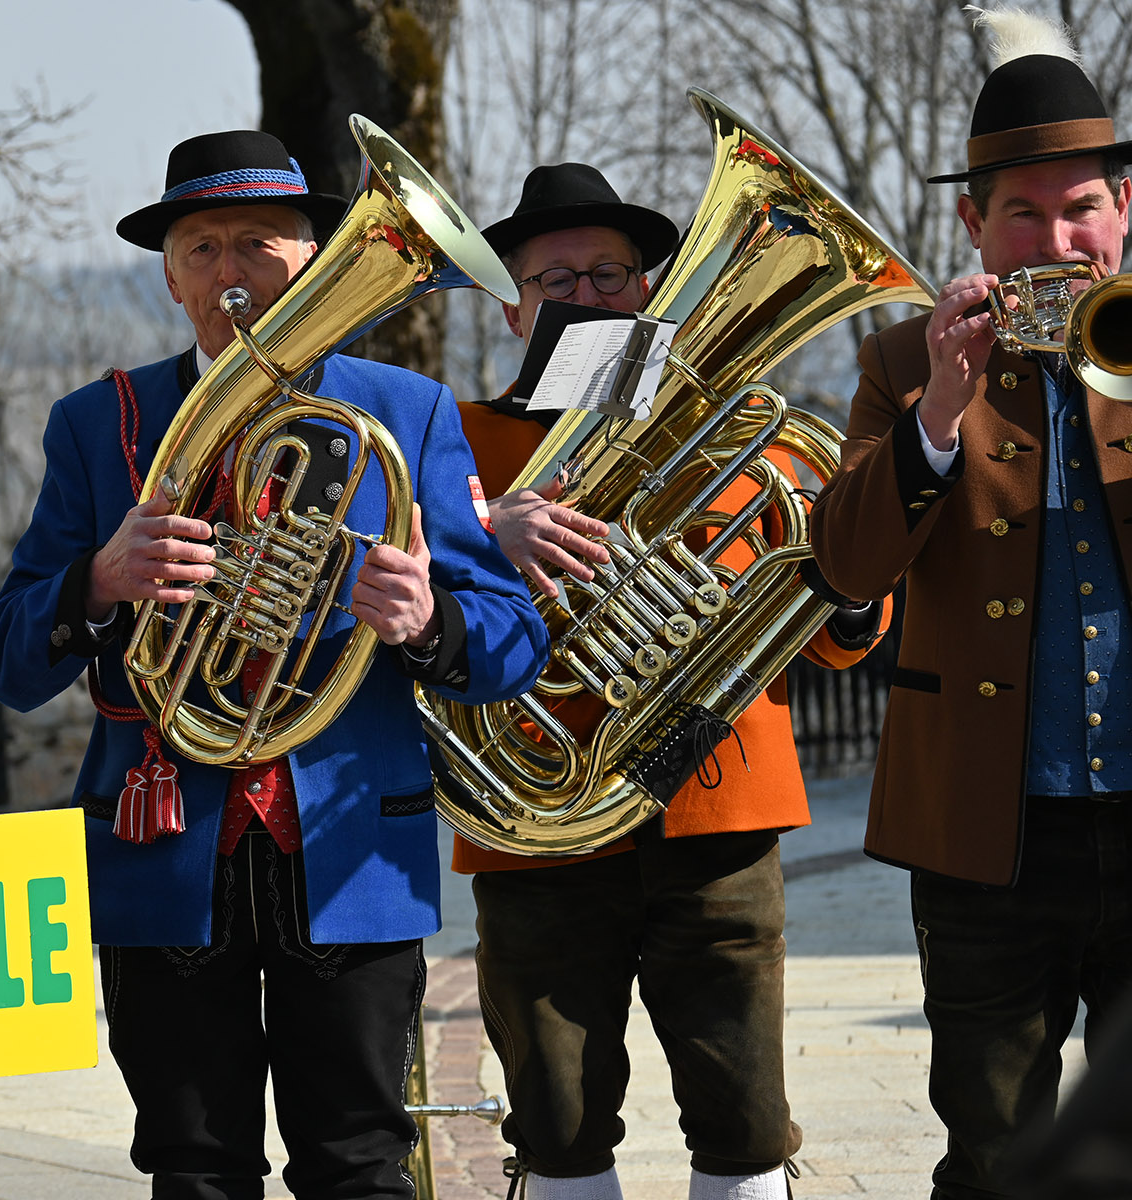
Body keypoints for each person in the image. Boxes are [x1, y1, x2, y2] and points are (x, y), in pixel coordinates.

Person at [0, 129, 547, 1200]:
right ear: (167, 274)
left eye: (258, 244)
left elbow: (512, 643)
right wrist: (95, 583)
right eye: (201, 248)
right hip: (165, 850)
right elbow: (7, 663)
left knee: (361, 1165)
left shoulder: (406, 411)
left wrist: (428, 619)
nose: (228, 274)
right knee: (195, 1169)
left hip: (349, 853)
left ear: (317, 255)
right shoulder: (100, 425)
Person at [456, 164, 888, 1200]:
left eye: (611, 273)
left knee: (744, 1122)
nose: (590, 295)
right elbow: (413, 617)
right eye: (557, 279)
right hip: (536, 820)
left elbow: (837, 640)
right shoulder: (460, 448)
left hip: (719, 814)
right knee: (556, 1122)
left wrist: (849, 584)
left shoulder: (742, 435)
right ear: (514, 305)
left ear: (648, 292)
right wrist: (480, 541)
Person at [809, 12, 1132, 1197]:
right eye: (1024, 212)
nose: (1058, 237)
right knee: (995, 1155)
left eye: (1082, 206)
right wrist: (939, 412)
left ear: (1125, 210)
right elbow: (845, 573)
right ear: (973, 226)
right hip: (985, 833)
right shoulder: (904, 362)